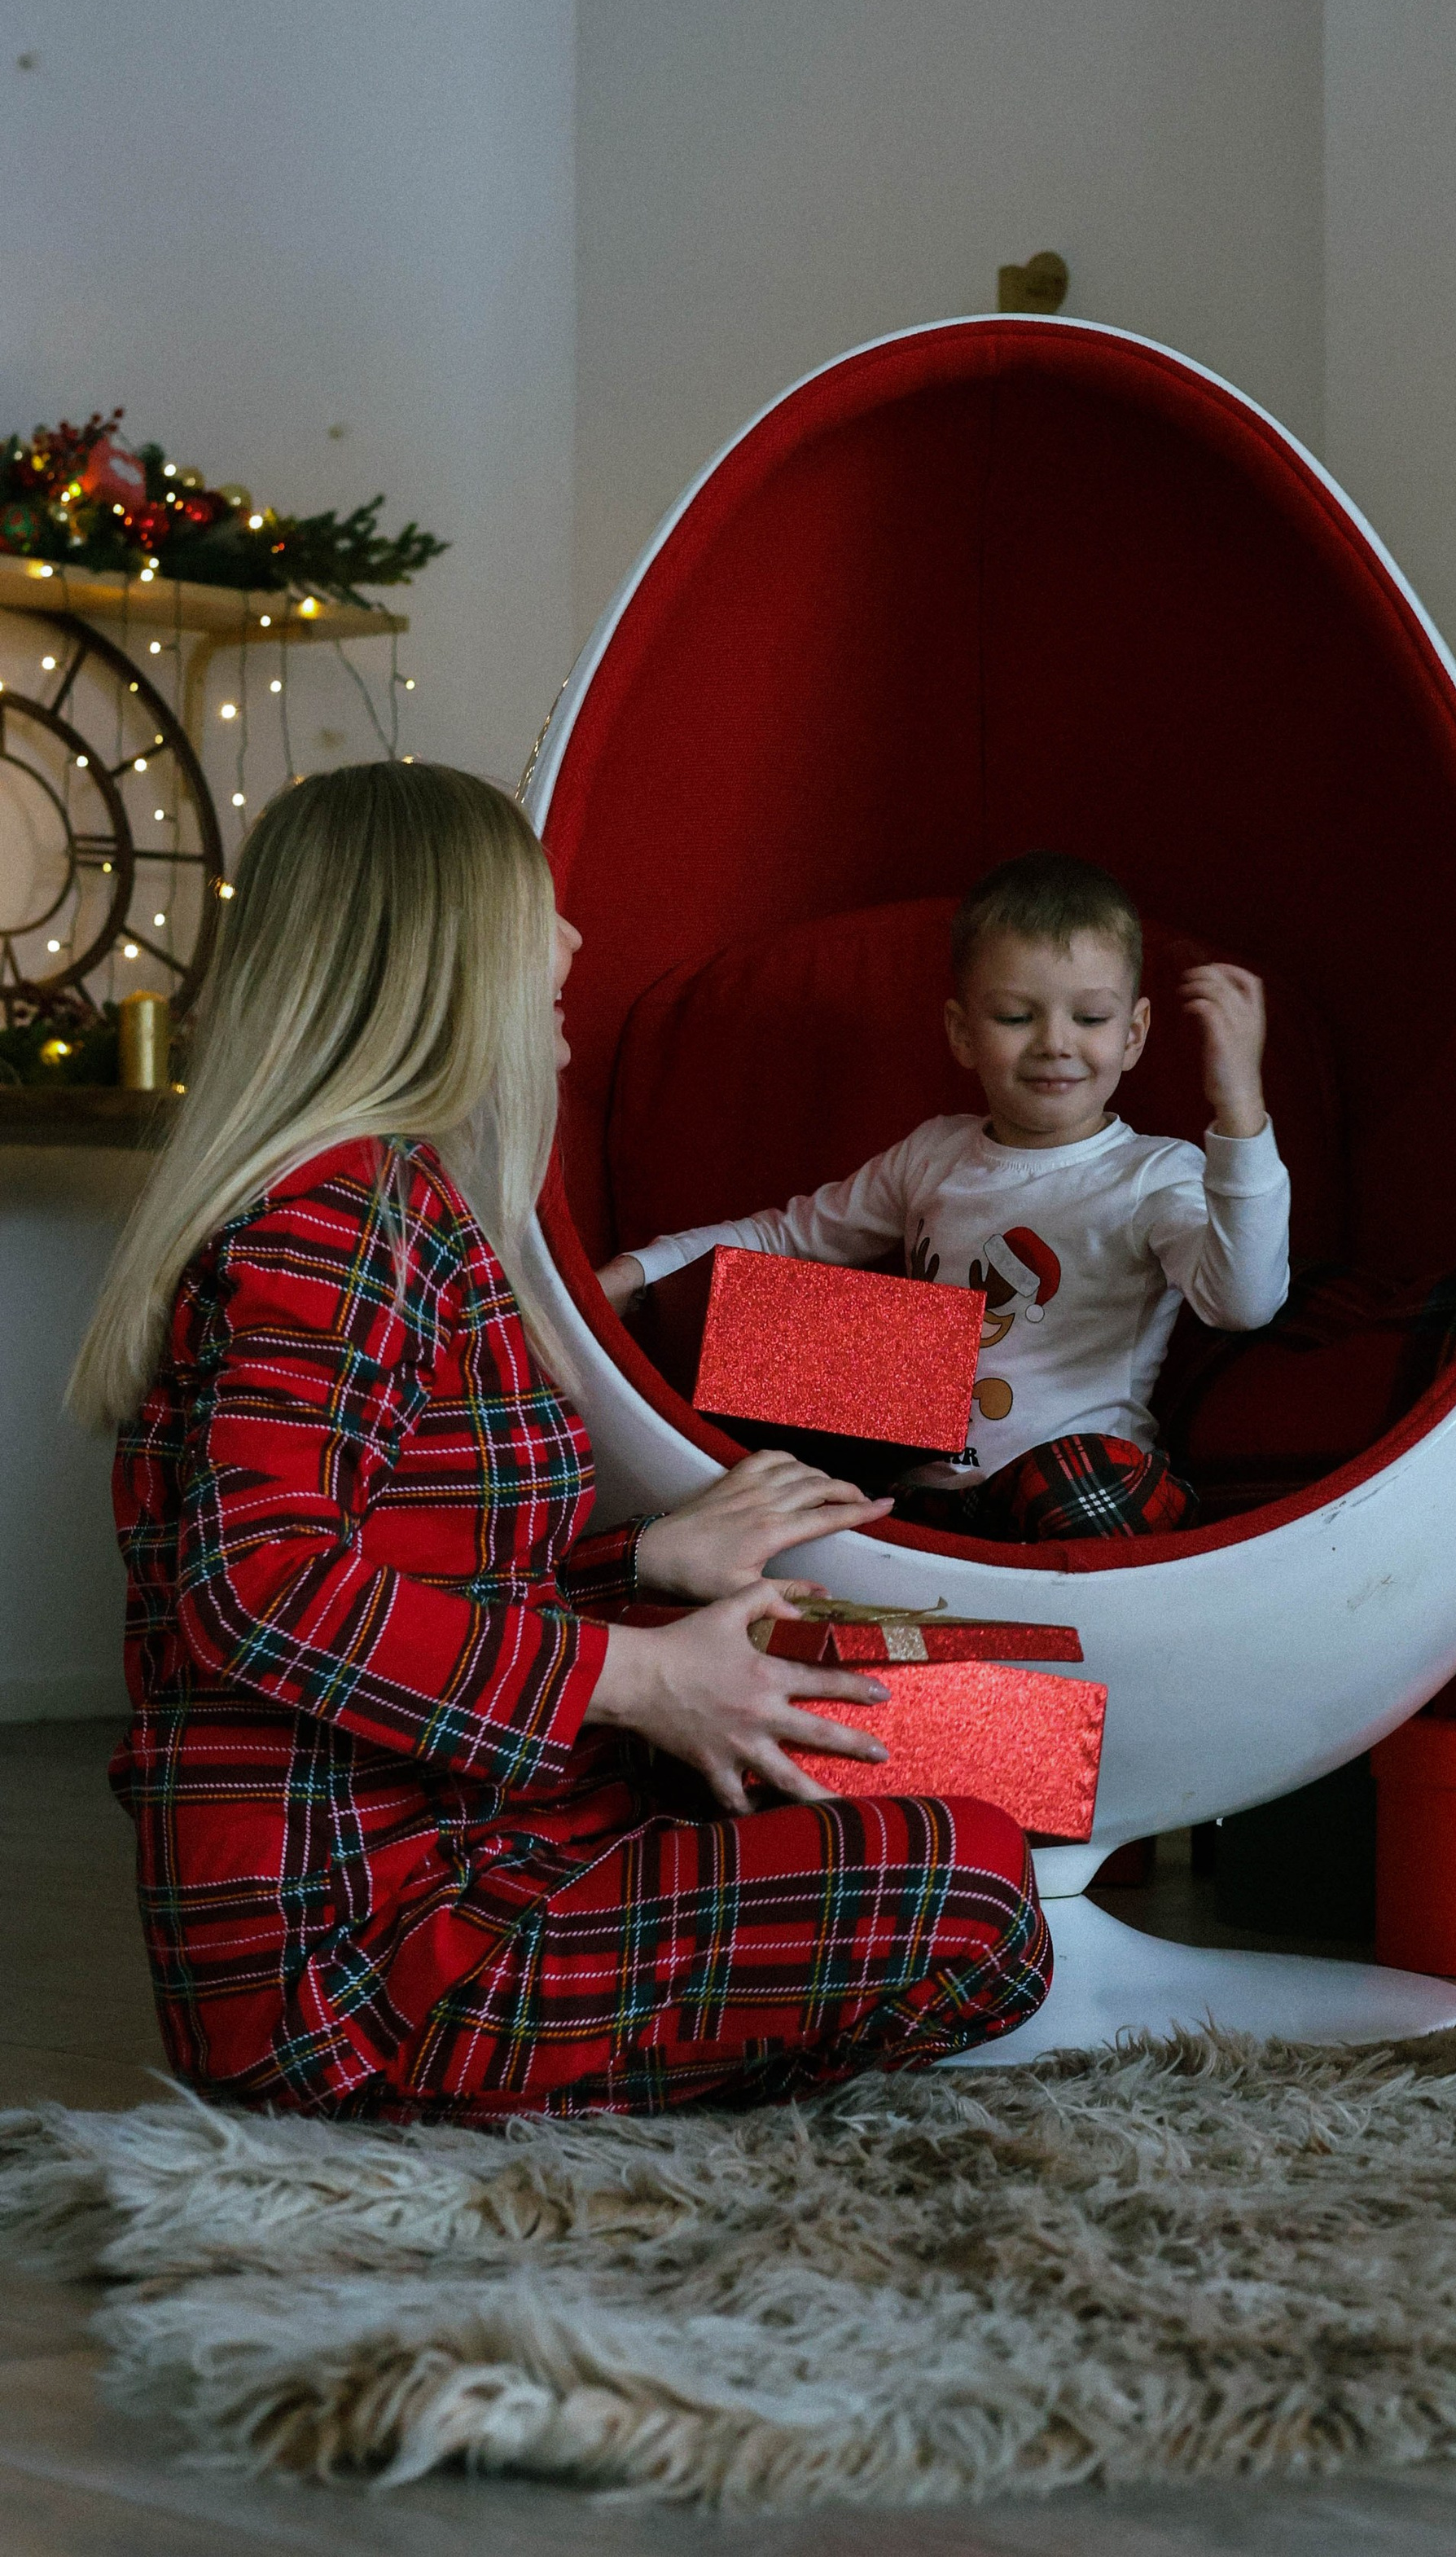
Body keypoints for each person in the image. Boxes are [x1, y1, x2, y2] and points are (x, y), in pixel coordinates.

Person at [69, 762, 1049, 2117]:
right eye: (537, 914)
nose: (575, 942)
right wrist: (643, 1676)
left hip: (481, 1839)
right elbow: (259, 1584)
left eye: (1085, 1017)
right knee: (974, 1883)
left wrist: (644, 1560)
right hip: (365, 1958)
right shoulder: (337, 1223)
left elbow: (415, 1561)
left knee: (929, 1776)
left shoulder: (400, 1202)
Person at [598, 851, 1290, 1541]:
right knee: (744, 1315)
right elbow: (784, 1238)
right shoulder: (933, 1152)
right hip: (912, 1493)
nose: (1055, 1043)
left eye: (1089, 1018)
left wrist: (1241, 1115)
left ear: (1132, 1036)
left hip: (1074, 1491)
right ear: (963, 1034)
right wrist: (640, 1271)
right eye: (1015, 1017)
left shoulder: (1153, 1172)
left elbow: (1243, 1303)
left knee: (1085, 1480)